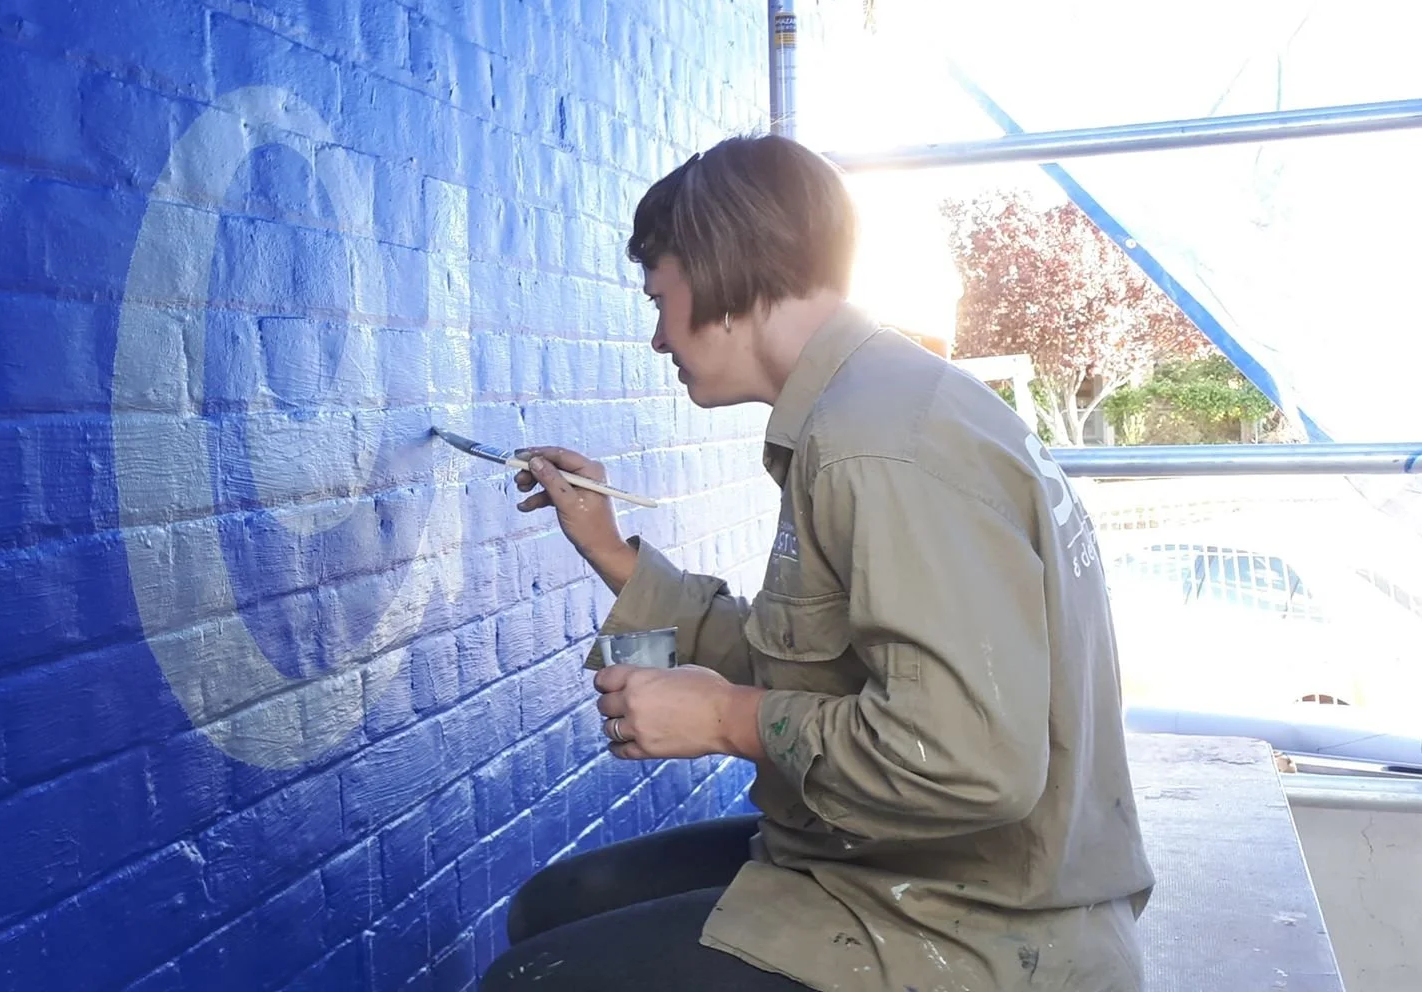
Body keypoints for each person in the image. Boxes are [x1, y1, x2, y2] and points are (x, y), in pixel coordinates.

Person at [479, 136, 1154, 991]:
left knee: (534, 979)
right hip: (893, 867)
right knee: (556, 908)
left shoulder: (877, 445)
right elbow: (805, 661)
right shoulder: (874, 404)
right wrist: (611, 551)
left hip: (974, 926)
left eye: (661, 296)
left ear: (721, 271)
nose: (657, 337)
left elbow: (966, 760)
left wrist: (730, 721)